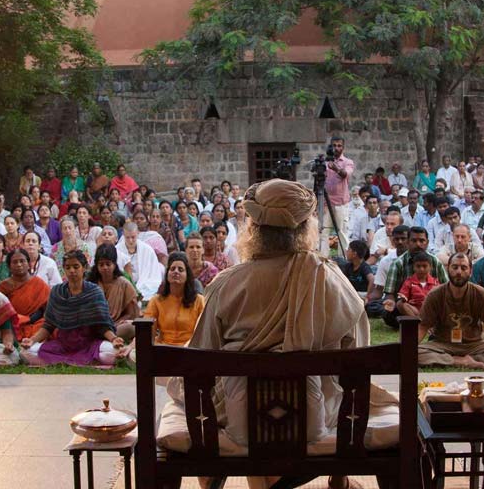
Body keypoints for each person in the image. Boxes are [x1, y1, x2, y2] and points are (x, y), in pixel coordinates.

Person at [161, 179, 392, 489]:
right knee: (343, 389)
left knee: (188, 388)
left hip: (243, 424)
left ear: (253, 229)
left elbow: (199, 360)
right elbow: (359, 354)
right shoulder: (329, 279)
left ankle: (216, 477)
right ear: (304, 229)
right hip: (313, 423)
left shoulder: (228, 283)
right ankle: (339, 480)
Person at [417, 252, 484, 368]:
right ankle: (459, 361)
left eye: (464, 268)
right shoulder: (435, 295)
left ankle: (465, 360)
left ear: (470, 272)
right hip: (442, 344)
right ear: (448, 269)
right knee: (413, 353)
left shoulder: (481, 294)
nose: (459, 272)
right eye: (455, 267)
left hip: (474, 345)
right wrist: (406, 348)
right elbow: (423, 327)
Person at [20, 250, 125, 366]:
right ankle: (82, 361)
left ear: (84, 268)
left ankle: (63, 360)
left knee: (114, 352)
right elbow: (49, 325)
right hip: (63, 345)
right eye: (68, 267)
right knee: (26, 352)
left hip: (89, 344)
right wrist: (32, 340)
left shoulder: (94, 292)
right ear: (64, 269)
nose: (72, 271)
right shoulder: (57, 292)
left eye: (76, 267)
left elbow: (102, 325)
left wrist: (114, 339)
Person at [382, 226, 447, 328]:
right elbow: (389, 293)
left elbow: (446, 288)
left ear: (427, 242)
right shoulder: (397, 264)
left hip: (432, 306)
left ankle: (419, 323)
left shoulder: (435, 262)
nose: (418, 244)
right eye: (414, 241)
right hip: (407, 307)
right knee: (389, 313)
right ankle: (423, 324)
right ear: (408, 242)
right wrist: (390, 302)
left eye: (421, 241)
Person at [141, 252, 206, 346]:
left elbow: (203, 332)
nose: (176, 272)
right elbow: (147, 331)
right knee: (135, 353)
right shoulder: (157, 300)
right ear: (167, 274)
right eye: (172, 269)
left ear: (187, 275)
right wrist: (131, 347)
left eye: (180, 269)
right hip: (163, 348)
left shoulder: (199, 300)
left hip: (190, 348)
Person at [87, 243, 140, 342]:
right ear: (97, 265)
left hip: (116, 325)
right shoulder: (91, 284)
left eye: (108, 264)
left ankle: (107, 336)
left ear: (114, 264)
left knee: (130, 327)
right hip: (95, 325)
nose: (105, 268)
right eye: (101, 264)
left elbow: (131, 313)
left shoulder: (124, 284)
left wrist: (118, 322)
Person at [0, 249, 50, 340]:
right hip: (14, 327)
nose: (19, 264)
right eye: (15, 262)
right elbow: (1, 313)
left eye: (22, 261)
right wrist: (21, 319)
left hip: (37, 324)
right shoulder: (4, 286)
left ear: (29, 264)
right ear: (9, 266)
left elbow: (49, 309)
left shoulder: (39, 284)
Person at [384, 251, 440, 319]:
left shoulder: (435, 282)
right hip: (415, 310)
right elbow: (402, 295)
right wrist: (403, 298)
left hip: (430, 310)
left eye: (424, 266)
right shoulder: (409, 281)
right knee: (400, 304)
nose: (421, 269)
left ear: (430, 267)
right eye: (418, 266)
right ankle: (417, 322)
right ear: (414, 267)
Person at [117, 222, 164, 299]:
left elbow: (154, 275)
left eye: (133, 237)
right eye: (127, 237)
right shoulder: (117, 250)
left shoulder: (147, 250)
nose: (130, 240)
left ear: (138, 234)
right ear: (123, 235)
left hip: (145, 285)